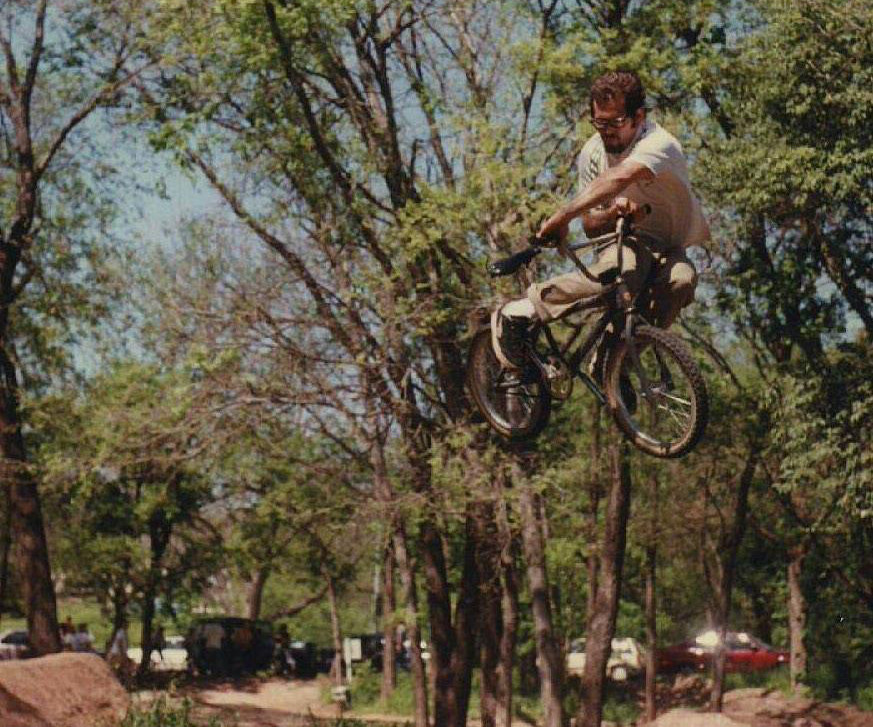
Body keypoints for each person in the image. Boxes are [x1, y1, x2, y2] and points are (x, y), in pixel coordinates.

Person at [494, 69, 709, 376]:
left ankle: (611, 361)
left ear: (638, 116)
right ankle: (521, 311)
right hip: (625, 241)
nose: (606, 132)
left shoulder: (660, 142)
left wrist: (561, 216)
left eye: (615, 123)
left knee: (681, 282)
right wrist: (612, 214)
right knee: (623, 270)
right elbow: (591, 227)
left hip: (668, 244)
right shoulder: (592, 153)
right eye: (599, 122)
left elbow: (620, 176)